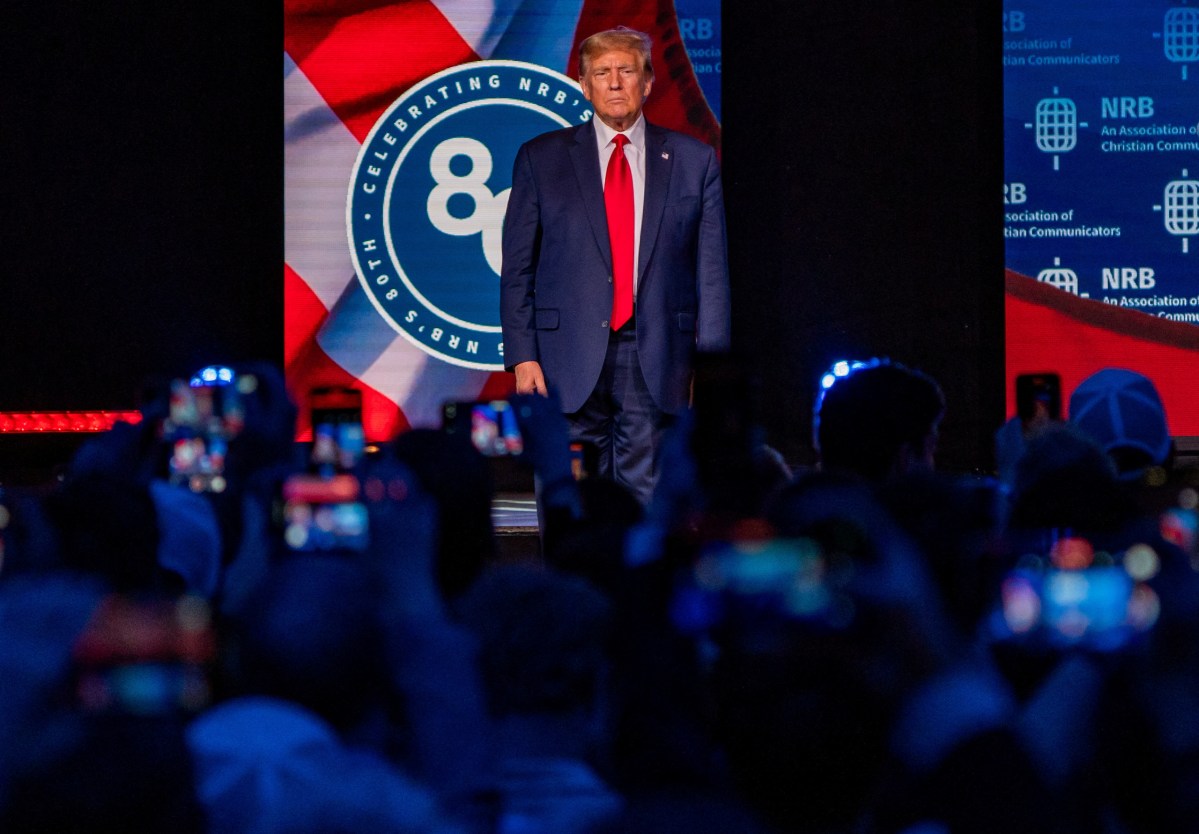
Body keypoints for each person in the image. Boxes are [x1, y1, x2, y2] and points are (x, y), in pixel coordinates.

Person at [500, 26, 731, 505]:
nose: (614, 82)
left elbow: (711, 275)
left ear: (647, 83)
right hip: (562, 361)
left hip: (656, 358)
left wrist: (712, 371)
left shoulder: (694, 160)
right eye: (601, 73)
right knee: (568, 499)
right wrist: (523, 357)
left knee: (646, 504)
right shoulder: (540, 159)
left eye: (626, 70)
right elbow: (517, 269)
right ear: (584, 86)